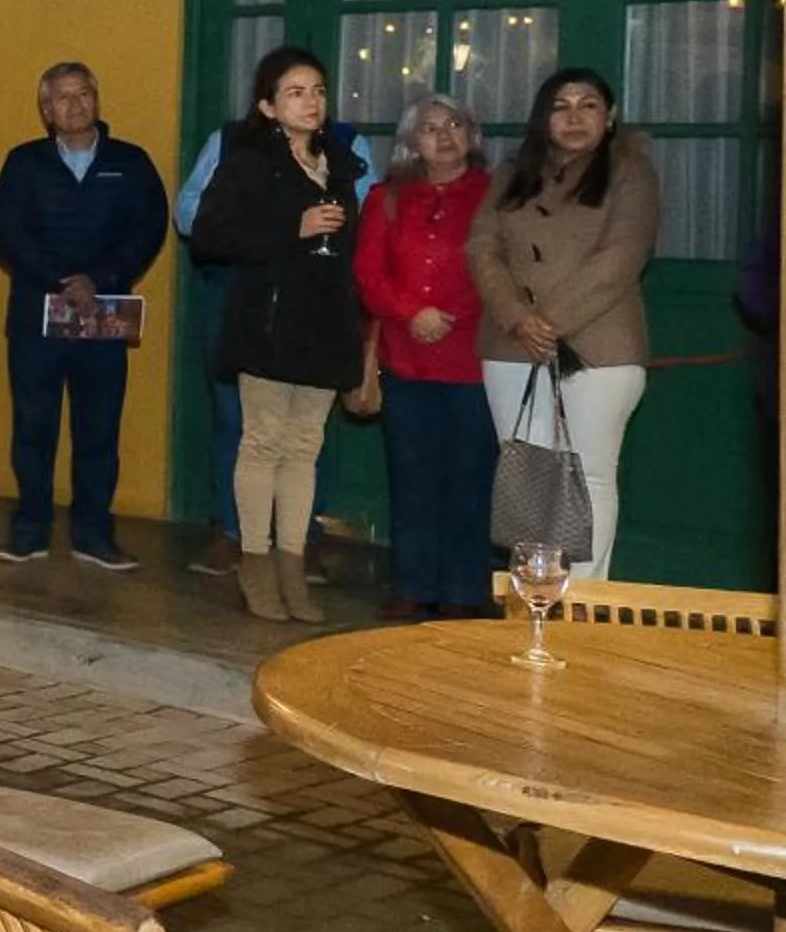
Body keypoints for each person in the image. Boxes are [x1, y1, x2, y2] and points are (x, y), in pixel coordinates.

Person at [191, 45, 368, 623]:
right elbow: (212, 232)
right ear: (267, 104)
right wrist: (291, 227)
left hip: (324, 319)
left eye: (317, 90)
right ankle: (254, 562)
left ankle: (293, 564)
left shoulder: (340, 159)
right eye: (295, 92)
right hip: (266, 320)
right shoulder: (247, 158)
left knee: (304, 447)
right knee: (262, 442)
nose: (311, 102)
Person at [468, 67, 657, 586]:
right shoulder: (510, 175)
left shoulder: (630, 172)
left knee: (589, 476)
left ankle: (583, 604)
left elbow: (622, 256)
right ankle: (534, 600)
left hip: (599, 347)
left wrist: (549, 322)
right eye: (561, 105)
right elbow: (482, 248)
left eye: (588, 104)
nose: (574, 117)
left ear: (610, 115)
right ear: (543, 117)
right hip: (513, 347)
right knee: (530, 477)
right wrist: (516, 316)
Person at [0, 63, 169, 570]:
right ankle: (29, 531)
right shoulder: (24, 163)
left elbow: (148, 229)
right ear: (46, 110)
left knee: (99, 429)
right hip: (35, 317)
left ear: (97, 98)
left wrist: (101, 280)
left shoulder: (130, 163)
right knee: (33, 427)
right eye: (62, 98)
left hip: (105, 316)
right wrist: (62, 279)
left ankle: (93, 534)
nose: (75, 105)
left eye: (84, 93)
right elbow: (6, 233)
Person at [353, 93, 499, 618]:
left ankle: (464, 590)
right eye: (430, 127)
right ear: (412, 142)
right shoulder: (386, 198)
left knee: (469, 476)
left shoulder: (494, 195)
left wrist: (454, 312)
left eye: (455, 124)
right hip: (405, 357)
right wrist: (412, 311)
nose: (444, 135)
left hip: (475, 361)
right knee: (412, 475)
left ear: (472, 135)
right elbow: (369, 274)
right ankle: (413, 583)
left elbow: (504, 269)